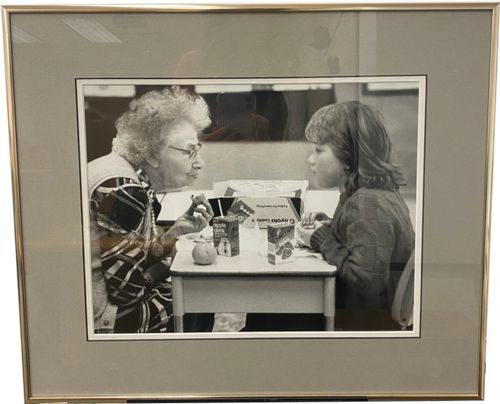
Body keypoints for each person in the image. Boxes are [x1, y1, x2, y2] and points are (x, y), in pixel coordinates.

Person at [88, 87, 214, 334]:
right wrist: (159, 271)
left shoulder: (124, 174)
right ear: (152, 152)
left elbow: (130, 255)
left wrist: (174, 233)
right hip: (102, 318)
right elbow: (126, 292)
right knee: (196, 295)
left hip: (101, 303)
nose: (200, 163)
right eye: (190, 151)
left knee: (191, 292)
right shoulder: (121, 190)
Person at [296, 101, 415, 330]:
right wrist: (328, 227)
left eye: (319, 150)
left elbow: (366, 280)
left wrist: (323, 240)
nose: (311, 159)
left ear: (348, 156)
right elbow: (364, 241)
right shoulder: (371, 194)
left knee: (269, 314)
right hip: (362, 310)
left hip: (363, 321)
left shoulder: (367, 204)